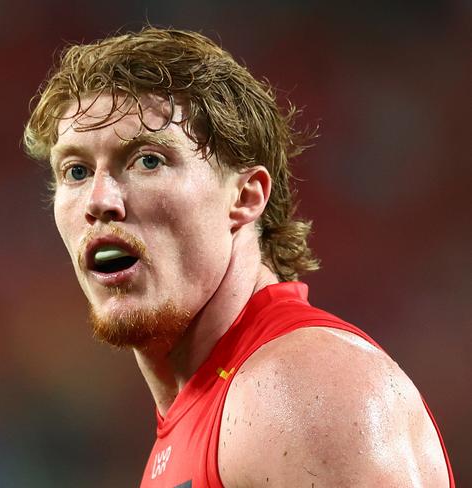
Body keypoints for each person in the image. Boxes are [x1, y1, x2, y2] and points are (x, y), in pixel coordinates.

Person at [23, 27, 454, 487]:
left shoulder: (297, 388)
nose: (99, 200)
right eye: (76, 170)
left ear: (246, 197)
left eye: (148, 160)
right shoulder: (209, 408)